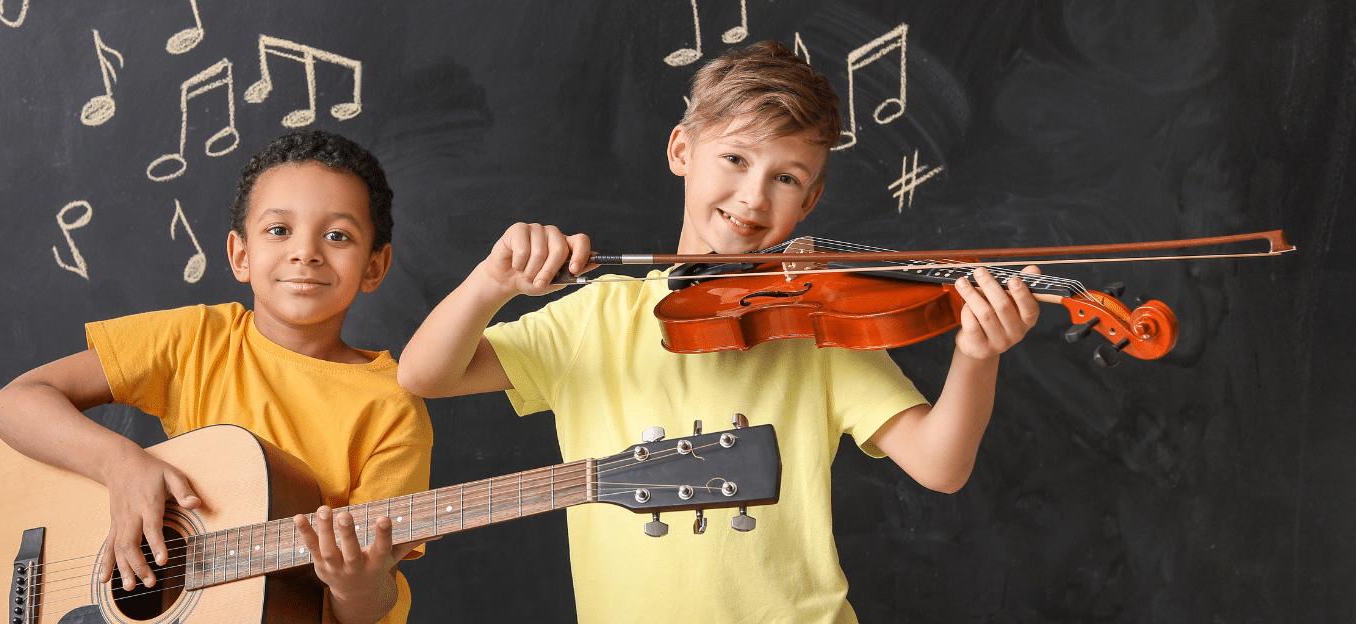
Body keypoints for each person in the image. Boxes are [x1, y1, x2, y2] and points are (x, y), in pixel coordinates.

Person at [396, 41, 1041, 623]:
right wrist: (493, 283)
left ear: (809, 201)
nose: (754, 198)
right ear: (681, 149)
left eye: (785, 178)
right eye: (734, 158)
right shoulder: (594, 317)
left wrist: (976, 356)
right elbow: (425, 374)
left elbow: (941, 466)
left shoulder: (812, 325)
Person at [0, 130, 432, 624]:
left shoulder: (392, 405)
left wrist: (356, 584)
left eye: (337, 236)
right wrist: (120, 465)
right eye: (279, 230)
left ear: (375, 266)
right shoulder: (197, 339)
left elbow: (370, 606)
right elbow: (14, 403)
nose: (306, 253)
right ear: (240, 255)